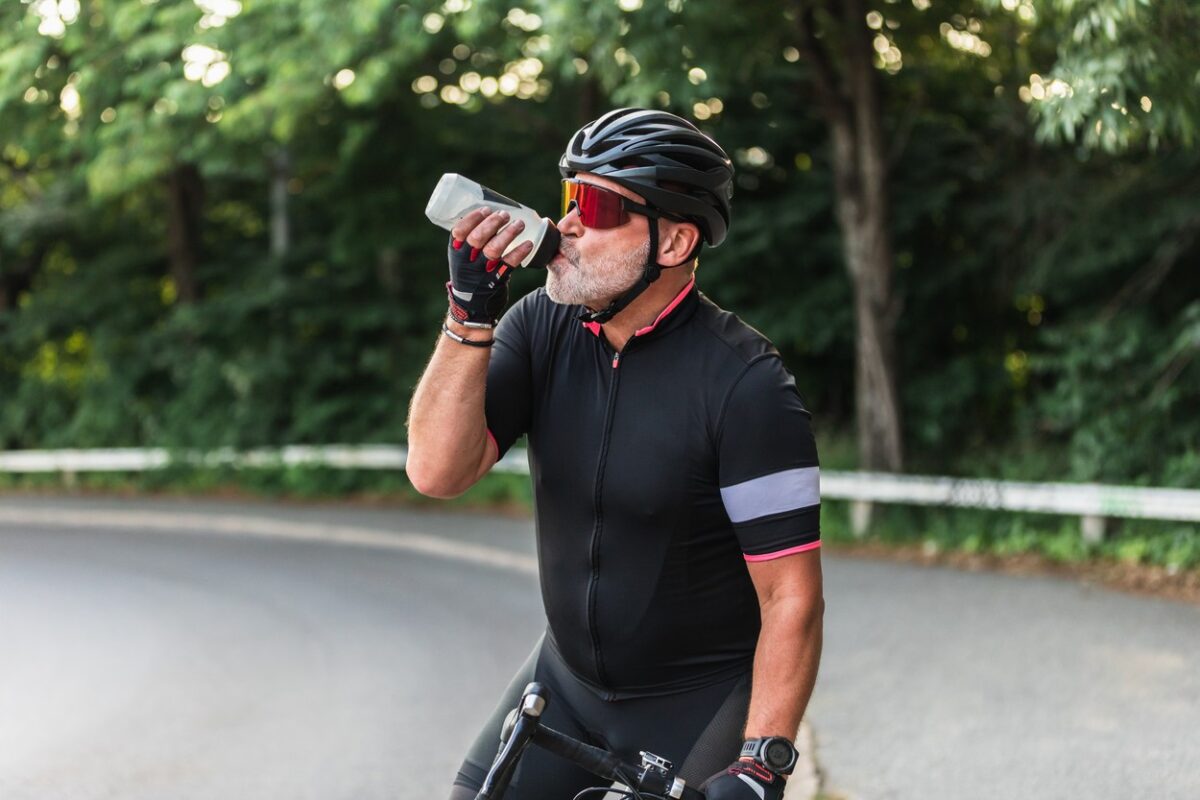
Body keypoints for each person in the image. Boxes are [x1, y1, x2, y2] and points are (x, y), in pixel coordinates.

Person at [407, 107, 824, 800]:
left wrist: (761, 763)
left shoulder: (746, 386)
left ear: (675, 240)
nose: (566, 223)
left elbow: (791, 598)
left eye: (597, 206)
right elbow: (436, 473)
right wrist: (468, 315)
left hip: (695, 700)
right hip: (566, 682)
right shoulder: (539, 325)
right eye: (570, 196)